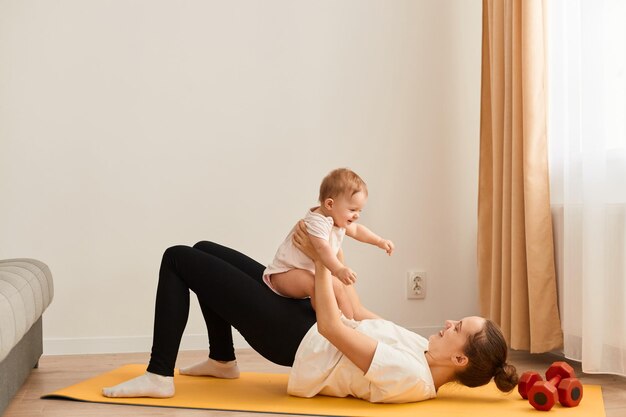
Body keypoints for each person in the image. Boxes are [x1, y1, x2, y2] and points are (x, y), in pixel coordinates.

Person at [102, 222, 519, 403]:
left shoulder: (409, 376)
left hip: (293, 340)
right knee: (204, 251)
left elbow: (334, 326)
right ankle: (222, 359)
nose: (448, 323)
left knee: (177, 258)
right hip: (307, 325)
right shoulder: (422, 350)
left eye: (458, 327)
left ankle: (159, 375)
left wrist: (319, 260)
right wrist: (335, 241)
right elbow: (355, 311)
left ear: (460, 358)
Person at [263, 168, 394, 319]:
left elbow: (357, 231)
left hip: (303, 271)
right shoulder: (317, 221)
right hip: (284, 274)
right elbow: (321, 248)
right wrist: (339, 270)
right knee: (314, 284)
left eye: (360, 211)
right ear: (330, 204)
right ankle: (329, 319)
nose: (356, 215)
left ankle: (349, 320)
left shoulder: (337, 219)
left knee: (337, 287)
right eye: (352, 209)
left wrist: (379, 241)